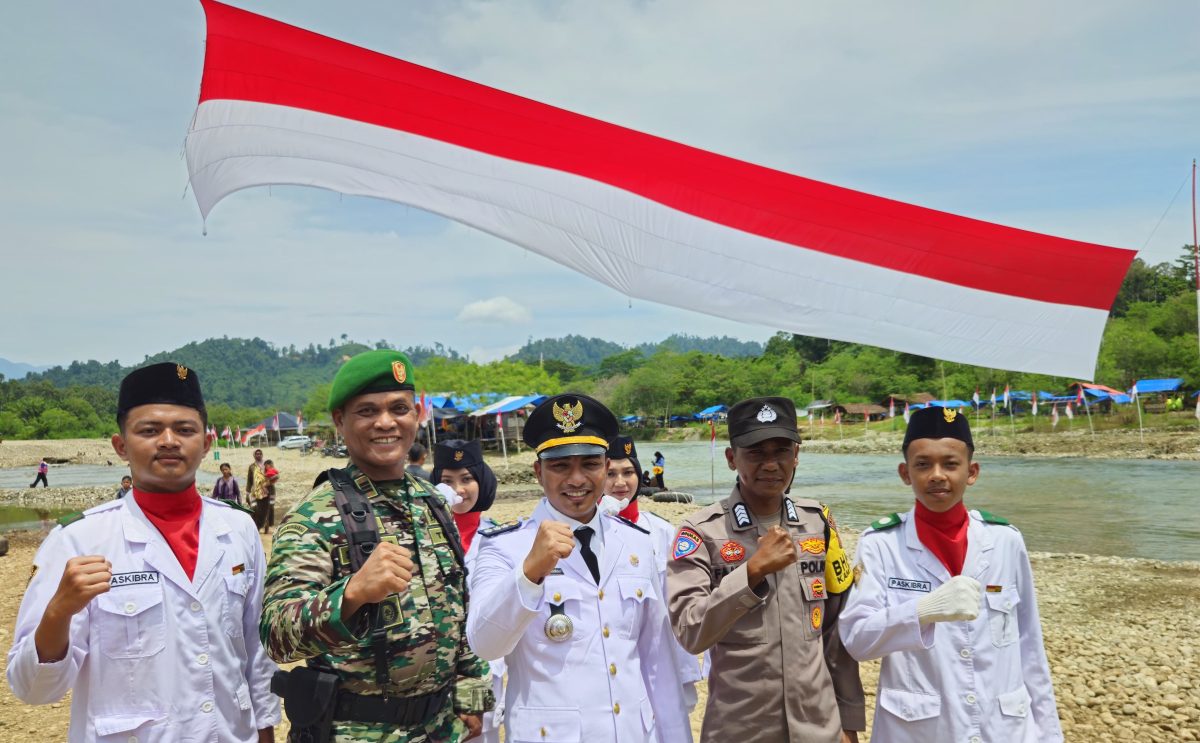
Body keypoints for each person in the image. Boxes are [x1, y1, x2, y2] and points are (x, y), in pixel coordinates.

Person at [7, 362, 279, 742]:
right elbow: (33, 689)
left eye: (185, 429)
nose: (168, 440)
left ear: (206, 444)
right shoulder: (79, 539)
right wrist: (58, 612)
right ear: (121, 446)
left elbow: (256, 646)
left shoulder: (238, 529)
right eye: (149, 430)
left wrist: (265, 728)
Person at [261, 350, 493, 742]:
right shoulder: (315, 516)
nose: (386, 423)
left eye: (398, 408)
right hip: (358, 730)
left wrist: (472, 695)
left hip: (441, 726)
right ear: (340, 420)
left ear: (417, 414)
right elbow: (277, 635)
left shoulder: (431, 501)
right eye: (367, 411)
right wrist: (350, 595)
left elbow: (459, 602)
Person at [467, 393, 692, 743]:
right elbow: (485, 644)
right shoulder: (504, 547)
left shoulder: (636, 542)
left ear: (605, 466)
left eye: (589, 463)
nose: (576, 479)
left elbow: (656, 659)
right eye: (560, 466)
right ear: (539, 471)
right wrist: (529, 575)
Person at [838, 406, 1063, 742]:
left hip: (1004, 727)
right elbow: (856, 639)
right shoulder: (881, 544)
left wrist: (1050, 735)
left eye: (951, 464)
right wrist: (922, 611)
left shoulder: (1004, 540)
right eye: (923, 464)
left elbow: (1029, 644)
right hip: (919, 729)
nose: (937, 475)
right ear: (905, 473)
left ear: (972, 472)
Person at [667, 396, 864, 743]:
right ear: (731, 458)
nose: (771, 464)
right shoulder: (701, 532)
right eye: (756, 453)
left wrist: (848, 721)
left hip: (818, 728)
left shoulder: (819, 523)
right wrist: (750, 573)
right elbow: (689, 631)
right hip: (741, 729)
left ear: (797, 455)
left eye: (781, 451)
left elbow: (837, 632)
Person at [599, 435, 703, 710]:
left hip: (661, 650)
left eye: (628, 472)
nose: (620, 483)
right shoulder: (590, 535)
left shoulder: (662, 532)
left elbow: (679, 603)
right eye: (610, 474)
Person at [431, 439, 504, 743]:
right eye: (447, 481)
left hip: (484, 664)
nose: (458, 489)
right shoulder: (418, 534)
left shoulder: (500, 537)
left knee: (482, 733)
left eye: (467, 479)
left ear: (482, 481)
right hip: (434, 665)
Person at [246, 448, 267, 526]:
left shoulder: (266, 465)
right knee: (254, 508)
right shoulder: (252, 467)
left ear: (262, 455)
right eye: (256, 454)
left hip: (265, 490)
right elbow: (249, 480)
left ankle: (264, 523)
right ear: (254, 455)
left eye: (260, 454)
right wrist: (247, 493)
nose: (258, 455)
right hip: (255, 491)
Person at [260, 459, 279, 534]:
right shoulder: (266, 472)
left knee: (270, 508)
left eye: (266, 465)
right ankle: (265, 526)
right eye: (265, 466)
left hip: (270, 490)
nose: (266, 467)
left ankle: (267, 526)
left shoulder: (273, 472)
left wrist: (269, 480)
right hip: (265, 491)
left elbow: (276, 477)